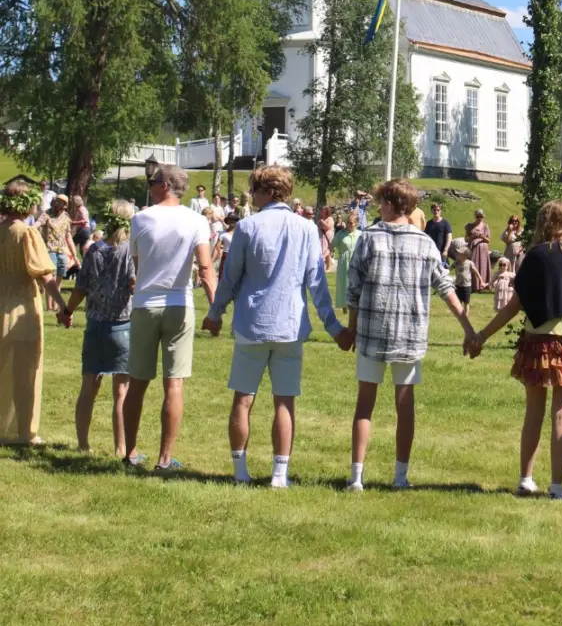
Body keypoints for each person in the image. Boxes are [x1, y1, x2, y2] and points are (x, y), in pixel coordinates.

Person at [202, 165, 352, 487]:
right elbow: (317, 283)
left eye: (255, 190)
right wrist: (334, 327)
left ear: (268, 191)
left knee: (243, 398)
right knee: (284, 400)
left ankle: (240, 472)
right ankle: (279, 475)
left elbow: (230, 279)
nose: (252, 196)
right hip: (289, 326)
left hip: (252, 323)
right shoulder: (306, 228)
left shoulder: (247, 227)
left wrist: (215, 312)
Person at [345, 179, 475, 492]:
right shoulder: (426, 243)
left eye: (381, 202)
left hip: (372, 333)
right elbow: (446, 288)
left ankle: (356, 478)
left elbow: (353, 290)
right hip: (410, 335)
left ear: (391, 204)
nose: (379, 206)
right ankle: (400, 477)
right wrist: (469, 329)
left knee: (365, 405)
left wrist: (350, 329)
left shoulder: (368, 238)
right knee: (405, 407)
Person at [466, 199, 562, 501]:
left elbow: (514, 306)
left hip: (539, 341)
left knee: (533, 414)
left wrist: (481, 335)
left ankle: (526, 479)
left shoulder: (535, 257)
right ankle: (558, 487)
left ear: (545, 222)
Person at [122, 164, 217, 472]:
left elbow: (138, 264)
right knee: (174, 383)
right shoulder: (196, 221)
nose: (149, 185)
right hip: (179, 304)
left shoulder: (140, 218)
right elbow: (205, 267)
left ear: (164, 185)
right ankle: (165, 459)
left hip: (146, 304)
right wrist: (215, 309)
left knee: (137, 382)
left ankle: (132, 453)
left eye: (153, 181)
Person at [60, 199, 139, 457]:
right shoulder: (130, 251)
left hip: (95, 324)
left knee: (89, 387)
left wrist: (68, 311)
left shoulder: (94, 250)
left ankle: (83, 444)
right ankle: (121, 448)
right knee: (121, 392)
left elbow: (80, 289)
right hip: (123, 324)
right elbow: (133, 284)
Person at [0, 180, 71, 446]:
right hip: (22, 309)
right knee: (26, 370)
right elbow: (45, 275)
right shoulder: (27, 234)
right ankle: (24, 432)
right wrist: (63, 308)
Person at [35, 193, 78, 310]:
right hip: (49, 249)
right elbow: (37, 224)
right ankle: (49, 306)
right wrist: (30, 229)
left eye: (59, 201)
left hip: (62, 251)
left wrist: (74, 255)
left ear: (64, 205)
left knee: (59, 279)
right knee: (51, 279)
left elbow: (68, 236)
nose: (56, 203)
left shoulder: (66, 217)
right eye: (55, 200)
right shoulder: (47, 214)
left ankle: (55, 306)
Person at [332, 210, 360, 313]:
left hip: (356, 261)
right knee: (344, 283)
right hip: (344, 261)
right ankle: (344, 305)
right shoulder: (341, 234)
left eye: (351, 223)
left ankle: (355, 305)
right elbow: (332, 245)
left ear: (356, 223)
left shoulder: (360, 234)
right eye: (348, 222)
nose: (349, 225)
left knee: (355, 283)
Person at [451, 238, 486, 315]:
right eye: (457, 253)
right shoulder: (456, 263)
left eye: (459, 254)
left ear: (465, 255)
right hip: (458, 284)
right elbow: (448, 269)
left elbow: (476, 273)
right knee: (459, 301)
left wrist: (481, 281)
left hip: (467, 285)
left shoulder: (469, 263)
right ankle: (459, 313)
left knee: (466, 302)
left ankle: (466, 315)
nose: (457, 255)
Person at [468, 209, 491, 291]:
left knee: (483, 266)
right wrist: (472, 237)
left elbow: (488, 240)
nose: (479, 218)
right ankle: (474, 285)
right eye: (478, 216)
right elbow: (466, 239)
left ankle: (483, 285)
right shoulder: (470, 226)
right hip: (473, 249)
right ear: (475, 217)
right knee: (474, 265)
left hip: (483, 249)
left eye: (481, 217)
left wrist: (482, 237)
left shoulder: (485, 226)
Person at [425, 202, 452, 267]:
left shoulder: (445, 223)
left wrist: (446, 250)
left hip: (442, 252)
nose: (436, 211)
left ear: (440, 211)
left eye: (438, 210)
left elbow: (449, 237)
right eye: (434, 210)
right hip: (432, 252)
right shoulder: (429, 223)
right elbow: (426, 237)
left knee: (443, 271)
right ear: (431, 211)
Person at [317, 205, 335, 270]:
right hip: (321, 238)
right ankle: (327, 267)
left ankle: (328, 267)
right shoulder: (320, 219)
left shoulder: (330, 219)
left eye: (321, 211)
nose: (320, 212)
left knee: (326, 252)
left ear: (325, 212)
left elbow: (328, 227)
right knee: (325, 252)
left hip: (327, 238)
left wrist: (322, 221)